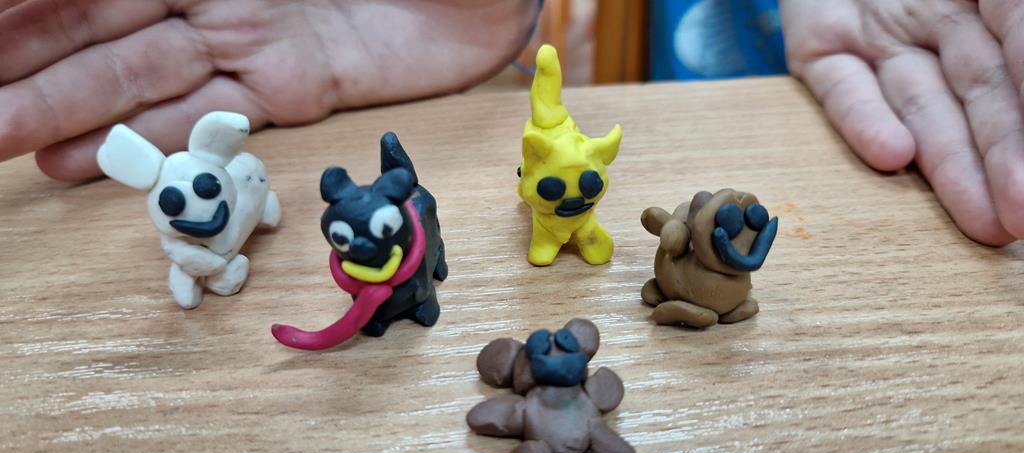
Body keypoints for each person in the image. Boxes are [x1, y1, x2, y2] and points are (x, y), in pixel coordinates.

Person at [0, 0, 1021, 247]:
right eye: (556, 183)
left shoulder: (585, 184)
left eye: (578, 184)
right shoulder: (528, 176)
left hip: (760, 83)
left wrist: (578, 219)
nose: (568, 187)